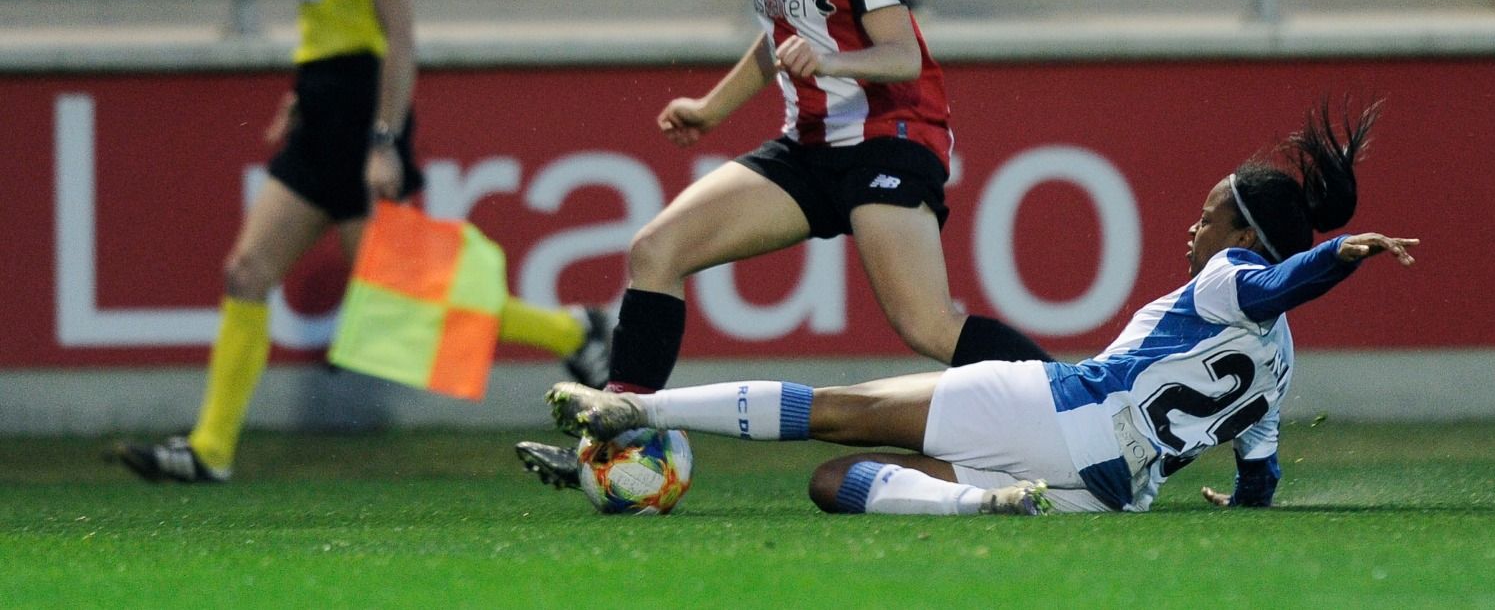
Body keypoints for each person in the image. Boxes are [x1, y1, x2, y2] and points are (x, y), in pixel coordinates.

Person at [515, 0, 1053, 489]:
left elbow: (900, 53)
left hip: (887, 140)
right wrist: (711, 107)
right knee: (656, 249)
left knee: (927, 326)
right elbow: (781, 33)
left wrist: (832, 58)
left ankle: (1074, 408)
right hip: (808, 149)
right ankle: (614, 446)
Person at [540, 100, 1418, 515]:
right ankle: (978, 506)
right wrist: (1244, 502)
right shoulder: (1280, 368)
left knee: (835, 415)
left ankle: (634, 405)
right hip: (1109, 494)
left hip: (1051, 403)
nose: (1196, 227)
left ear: (1249, 237)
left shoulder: (1234, 276)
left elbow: (1272, 284)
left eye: (1211, 212)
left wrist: (1335, 257)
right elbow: (1261, 471)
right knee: (833, 488)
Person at [112, 0, 608, 485]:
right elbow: (328, 28)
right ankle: (210, 448)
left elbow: (399, 42)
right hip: (320, 119)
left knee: (405, 294)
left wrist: (382, 139)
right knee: (246, 271)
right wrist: (297, 97)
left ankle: (571, 330)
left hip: (361, 123)